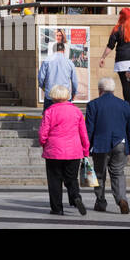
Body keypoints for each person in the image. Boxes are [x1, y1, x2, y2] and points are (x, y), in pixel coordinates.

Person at [85, 77, 130, 214]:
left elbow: (89, 129)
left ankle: (100, 202)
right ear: (113, 90)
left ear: (100, 90)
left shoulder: (93, 105)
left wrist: (86, 147)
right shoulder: (124, 104)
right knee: (118, 173)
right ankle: (121, 199)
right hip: (120, 143)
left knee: (99, 175)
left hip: (100, 145)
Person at [38, 84, 89, 216]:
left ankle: (57, 208)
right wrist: (86, 149)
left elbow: (43, 133)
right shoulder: (76, 111)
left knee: (54, 180)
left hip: (54, 151)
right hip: (74, 151)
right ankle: (75, 196)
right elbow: (83, 133)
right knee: (71, 178)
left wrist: (44, 144)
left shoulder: (49, 111)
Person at [97, 7, 130, 104]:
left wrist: (103, 57)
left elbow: (110, 46)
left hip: (122, 61)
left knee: (126, 85)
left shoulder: (116, 29)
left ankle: (128, 106)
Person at [38, 40, 78, 110]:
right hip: (65, 97)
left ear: (54, 50)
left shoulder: (47, 60)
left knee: (48, 118)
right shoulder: (69, 62)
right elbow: (74, 81)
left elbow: (41, 78)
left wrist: (43, 87)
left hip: (50, 96)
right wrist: (74, 93)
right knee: (65, 119)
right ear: (64, 50)